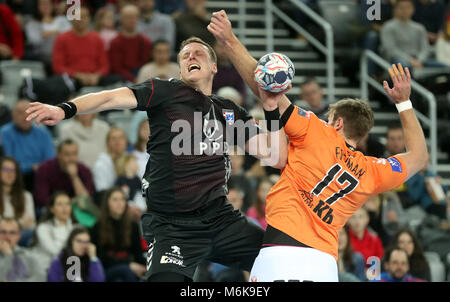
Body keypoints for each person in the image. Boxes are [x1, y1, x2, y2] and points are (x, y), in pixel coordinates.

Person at [25, 33, 288, 282]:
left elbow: (274, 156)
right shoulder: (165, 92)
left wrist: (272, 110)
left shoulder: (230, 110)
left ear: (214, 67)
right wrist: (65, 109)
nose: (190, 58)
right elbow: (109, 98)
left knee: (282, 261)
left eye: (198, 54)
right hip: (173, 226)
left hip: (221, 219)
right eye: (184, 56)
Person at [207, 10, 427, 282]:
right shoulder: (372, 170)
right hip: (323, 263)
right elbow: (418, 157)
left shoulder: (317, 130)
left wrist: (229, 40)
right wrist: (404, 102)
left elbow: (264, 86)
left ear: (337, 123)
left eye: (329, 118)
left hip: (280, 252)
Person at [52, 6, 119, 89]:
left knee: (118, 80)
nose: (80, 20)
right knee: (60, 82)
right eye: (77, 17)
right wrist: (77, 75)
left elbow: (105, 65)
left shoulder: (97, 38)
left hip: (95, 78)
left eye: (83, 16)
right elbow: (58, 66)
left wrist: (96, 76)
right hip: (73, 79)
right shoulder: (62, 38)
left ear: (88, 19)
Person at [90, 187, 146, 282]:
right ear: (107, 203)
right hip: (107, 269)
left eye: (122, 199)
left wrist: (149, 266)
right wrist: (128, 264)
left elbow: (138, 254)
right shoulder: (98, 226)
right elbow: (101, 258)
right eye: (115, 199)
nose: (119, 203)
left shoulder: (133, 226)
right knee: (125, 272)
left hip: (128, 270)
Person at [0, 100, 55, 192]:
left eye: (29, 113)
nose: (25, 117)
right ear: (13, 115)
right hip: (15, 178)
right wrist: (31, 167)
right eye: (21, 113)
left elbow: (50, 161)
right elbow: (7, 163)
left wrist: (38, 168)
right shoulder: (4, 133)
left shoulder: (44, 133)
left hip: (41, 177)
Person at [380, 0, 446, 71]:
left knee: (445, 67)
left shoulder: (419, 28)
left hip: (419, 59)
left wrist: (419, 60)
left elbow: (425, 48)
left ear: (413, 9)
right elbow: (391, 50)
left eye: (408, 7)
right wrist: (410, 60)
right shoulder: (388, 27)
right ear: (395, 9)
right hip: (399, 60)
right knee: (405, 66)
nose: (404, 10)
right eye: (401, 8)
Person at [33, 139, 96, 210]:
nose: (72, 158)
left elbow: (86, 200)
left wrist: (74, 177)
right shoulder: (44, 169)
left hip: (77, 209)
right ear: (58, 154)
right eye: (67, 154)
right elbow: (42, 199)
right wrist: (67, 204)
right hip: (53, 209)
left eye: (74, 154)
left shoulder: (84, 170)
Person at [31, 191, 77, 271]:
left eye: (67, 204)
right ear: (52, 209)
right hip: (45, 269)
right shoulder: (43, 228)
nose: (64, 208)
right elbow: (55, 251)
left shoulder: (76, 228)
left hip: (70, 267)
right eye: (60, 204)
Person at [109, 4, 152, 83]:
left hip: (141, 75)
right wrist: (132, 79)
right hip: (122, 78)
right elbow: (117, 67)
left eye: (134, 17)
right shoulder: (115, 42)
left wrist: (140, 77)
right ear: (121, 19)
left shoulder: (145, 41)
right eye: (128, 17)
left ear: (138, 19)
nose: (131, 20)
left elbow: (146, 64)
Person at [0, 157, 35, 247]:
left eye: (13, 170)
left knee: (32, 233)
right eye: (6, 169)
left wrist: (11, 226)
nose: (10, 173)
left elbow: (31, 222)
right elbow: (25, 222)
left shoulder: (26, 196)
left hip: (19, 236)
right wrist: (19, 223)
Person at [24, 0, 71, 65]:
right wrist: (55, 32)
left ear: (52, 6)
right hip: (41, 57)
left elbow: (70, 36)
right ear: (37, 7)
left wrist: (50, 33)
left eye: (48, 4)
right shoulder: (32, 24)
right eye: (43, 4)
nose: (46, 6)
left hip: (62, 55)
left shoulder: (62, 19)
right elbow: (34, 41)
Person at [0, 217, 45, 281]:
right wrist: (8, 255)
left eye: (12, 232)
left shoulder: (29, 255)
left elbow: (41, 278)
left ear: (19, 236)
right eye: (3, 232)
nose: (7, 236)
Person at [93, 126, 128, 192]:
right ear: (107, 143)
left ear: (126, 142)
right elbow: (102, 192)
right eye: (113, 138)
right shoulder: (100, 165)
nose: (117, 141)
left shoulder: (131, 160)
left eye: (121, 138)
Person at [115, 154, 146, 221]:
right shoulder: (121, 180)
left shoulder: (137, 179)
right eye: (134, 162)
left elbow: (141, 192)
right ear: (126, 165)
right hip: (126, 206)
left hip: (138, 205)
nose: (137, 164)